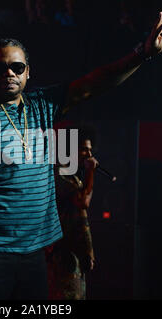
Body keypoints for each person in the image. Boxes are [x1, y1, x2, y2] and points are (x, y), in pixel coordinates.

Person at [0, 12, 162, 300]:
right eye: (0, 67)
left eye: (17, 67)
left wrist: (141, 54)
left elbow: (95, 83)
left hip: (33, 251)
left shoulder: (43, 105)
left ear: (28, 71)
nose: (9, 74)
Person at [47, 126, 98, 300]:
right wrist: (91, 171)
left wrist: (87, 250)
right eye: (84, 149)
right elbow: (83, 201)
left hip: (73, 253)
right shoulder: (59, 173)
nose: (88, 154)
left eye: (90, 150)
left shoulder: (73, 177)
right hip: (63, 253)